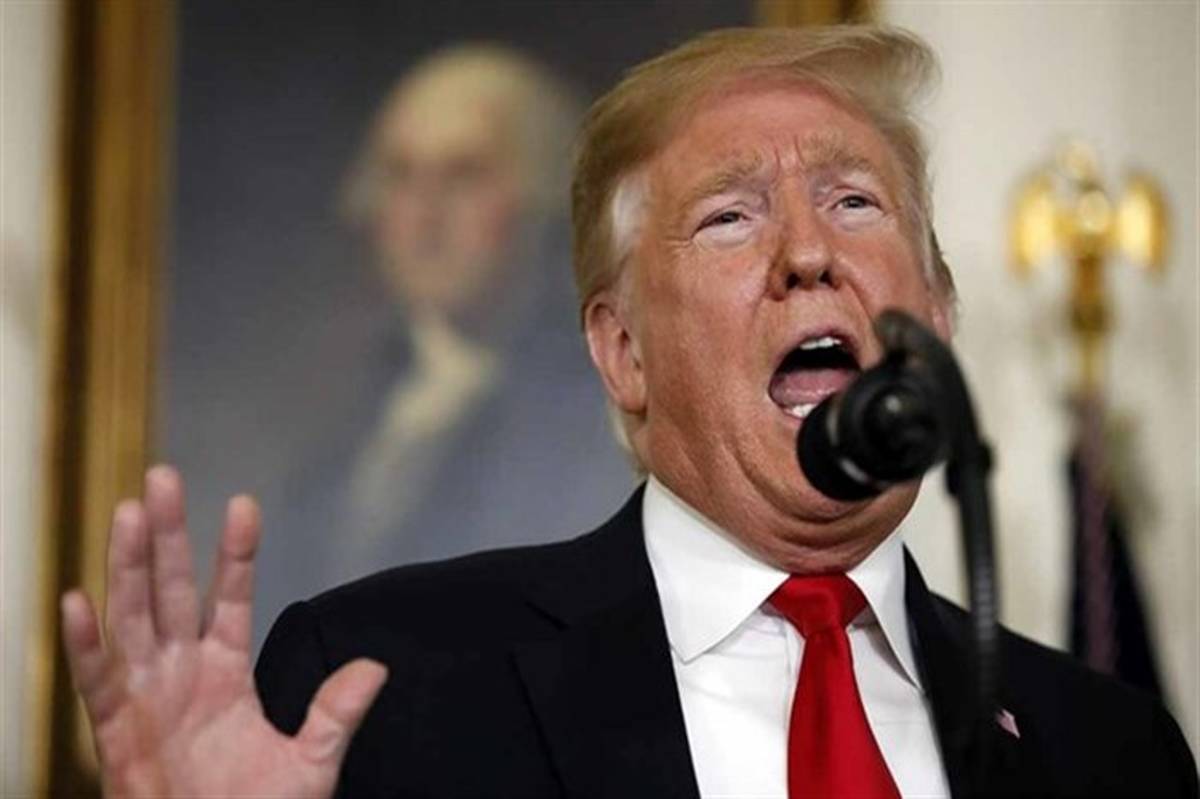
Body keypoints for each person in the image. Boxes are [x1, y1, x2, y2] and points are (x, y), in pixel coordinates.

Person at [60, 26, 1197, 798]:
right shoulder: (384, 687)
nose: (809, 252)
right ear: (623, 352)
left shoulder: (1110, 749)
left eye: (854, 201)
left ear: (935, 318)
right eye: (730, 217)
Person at [257, 44, 630, 640]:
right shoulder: (347, 409)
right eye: (401, 176)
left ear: (538, 202)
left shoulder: (600, 413)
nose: (426, 216)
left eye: (463, 176)